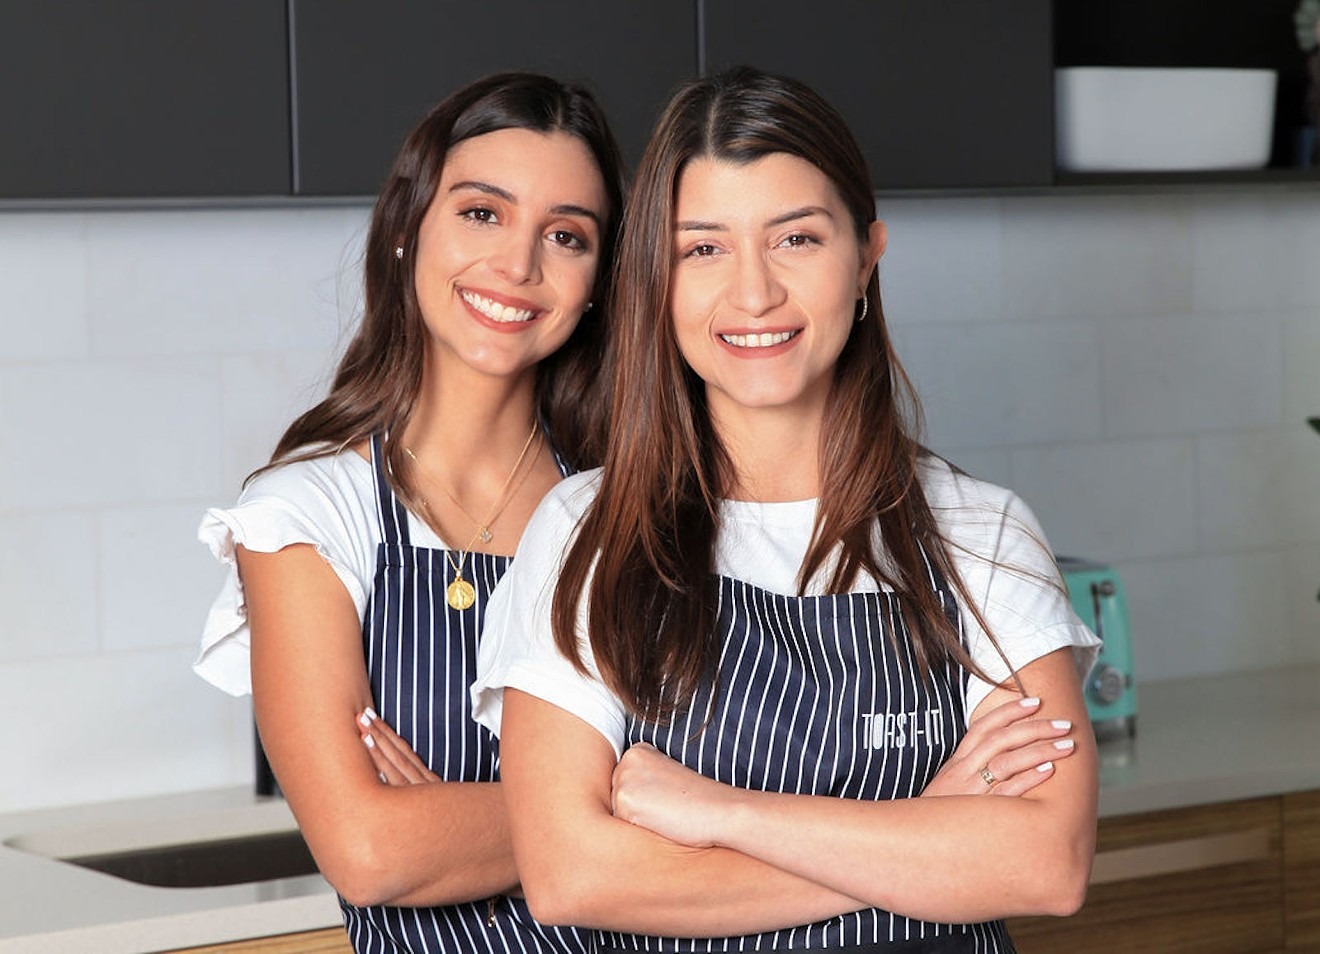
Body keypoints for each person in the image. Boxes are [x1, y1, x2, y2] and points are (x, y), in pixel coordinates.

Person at [471, 66, 1101, 952]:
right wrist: (925, 831)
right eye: (704, 248)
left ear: (866, 259)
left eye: (797, 239)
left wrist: (718, 812)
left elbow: (1045, 862)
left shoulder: (978, 531)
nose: (754, 293)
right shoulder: (588, 534)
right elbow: (573, 875)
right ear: (660, 281)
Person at [193, 72, 625, 953]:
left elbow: (753, 771)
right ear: (407, 228)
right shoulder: (309, 513)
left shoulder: (630, 502)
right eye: (481, 214)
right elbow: (370, 853)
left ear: (599, 279)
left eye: (566, 236)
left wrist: (457, 824)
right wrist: (643, 799)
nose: (518, 265)